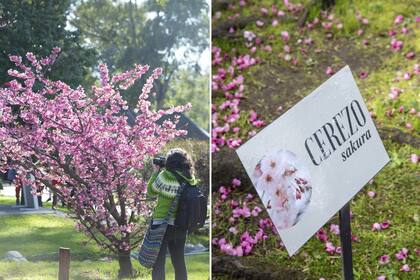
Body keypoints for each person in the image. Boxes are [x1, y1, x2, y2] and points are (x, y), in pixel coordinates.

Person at [147, 148, 198, 280]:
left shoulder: (165, 175)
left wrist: (155, 172)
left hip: (161, 225)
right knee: (179, 263)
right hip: (181, 225)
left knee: (158, 264)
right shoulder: (189, 178)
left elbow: (151, 192)